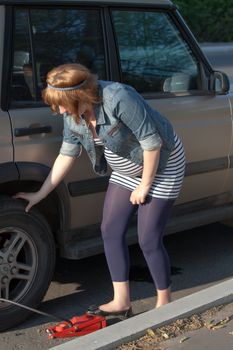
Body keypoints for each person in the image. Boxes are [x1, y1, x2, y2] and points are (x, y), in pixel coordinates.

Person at [14, 63, 185, 318]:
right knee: (110, 230)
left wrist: (145, 185)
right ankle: (121, 301)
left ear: (78, 96)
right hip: (126, 171)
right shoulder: (72, 113)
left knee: (148, 239)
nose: (57, 110)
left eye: (60, 104)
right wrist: (41, 193)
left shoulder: (119, 98)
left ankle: (165, 302)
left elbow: (152, 143)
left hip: (161, 166)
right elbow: (67, 154)